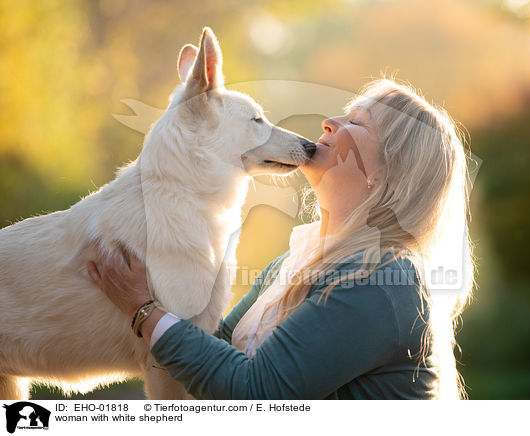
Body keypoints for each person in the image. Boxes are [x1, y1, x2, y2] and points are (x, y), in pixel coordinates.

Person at [87, 79, 474, 400]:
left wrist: (144, 309)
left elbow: (258, 393)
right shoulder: (292, 263)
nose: (328, 122)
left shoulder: (383, 280)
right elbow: (213, 350)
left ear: (386, 171)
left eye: (357, 121)